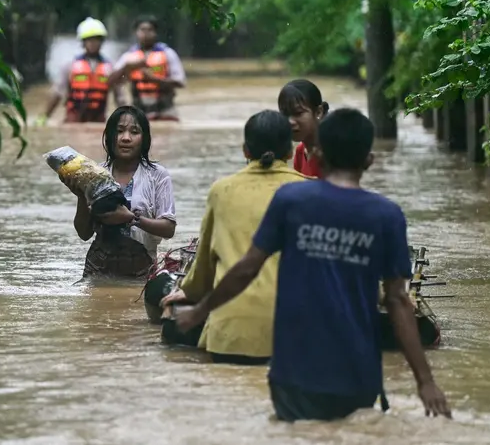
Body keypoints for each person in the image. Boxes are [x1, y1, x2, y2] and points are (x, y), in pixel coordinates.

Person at [175, 108, 451, 421]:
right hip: (356, 371)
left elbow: (246, 268)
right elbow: (398, 300)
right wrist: (425, 382)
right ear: (369, 160)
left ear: (317, 153)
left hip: (294, 372)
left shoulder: (292, 201)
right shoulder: (386, 215)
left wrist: (199, 310)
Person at [160, 110, 303, 365]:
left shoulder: (222, 190)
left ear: (245, 151)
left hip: (231, 334)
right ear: (290, 151)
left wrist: (188, 292)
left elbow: (204, 262)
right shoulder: (310, 190)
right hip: (295, 335)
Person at [64, 106, 177, 278]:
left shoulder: (158, 175)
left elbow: (168, 228)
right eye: (119, 131)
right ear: (109, 137)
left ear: (144, 139)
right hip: (98, 270)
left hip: (142, 271)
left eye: (134, 132)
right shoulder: (95, 173)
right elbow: (84, 233)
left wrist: (132, 218)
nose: (126, 138)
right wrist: (81, 195)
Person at [37, 18, 124, 125]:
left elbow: (119, 97)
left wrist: (125, 118)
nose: (93, 43)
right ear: (83, 42)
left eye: (97, 39)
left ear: (102, 42)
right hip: (73, 121)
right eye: (89, 40)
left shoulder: (110, 68)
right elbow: (57, 94)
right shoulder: (70, 66)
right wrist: (44, 117)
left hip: (98, 122)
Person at [108, 15, 186, 122]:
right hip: (139, 111)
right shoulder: (129, 56)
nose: (146, 34)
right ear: (136, 32)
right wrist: (127, 67)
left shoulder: (168, 53)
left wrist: (155, 80)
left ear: (156, 33)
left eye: (150, 30)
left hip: (166, 110)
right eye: (142, 30)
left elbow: (180, 82)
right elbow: (111, 81)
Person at [278, 79, 329, 179]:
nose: (290, 121)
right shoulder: (301, 151)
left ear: (319, 112)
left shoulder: (331, 153)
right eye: (285, 114)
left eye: (298, 113)